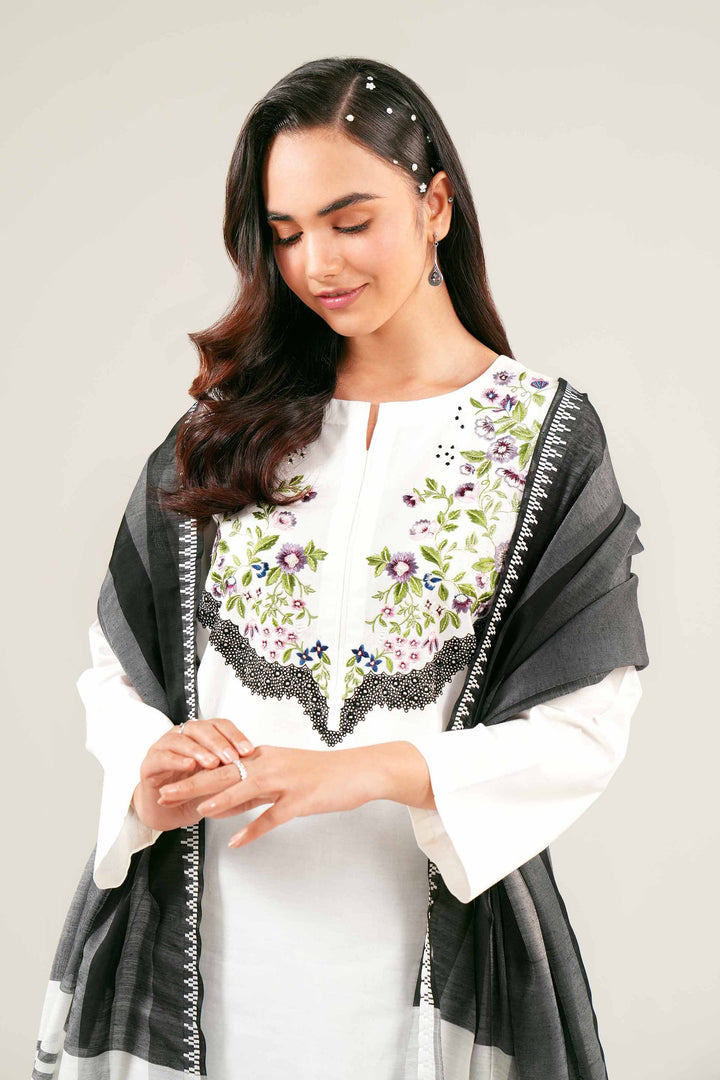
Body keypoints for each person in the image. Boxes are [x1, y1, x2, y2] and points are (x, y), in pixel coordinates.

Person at [32, 57, 649, 1080]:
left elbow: (585, 722)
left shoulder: (543, 438)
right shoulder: (224, 432)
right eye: (285, 234)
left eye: (349, 221)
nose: (316, 262)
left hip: (425, 963)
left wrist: (360, 771)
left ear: (436, 204)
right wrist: (150, 763)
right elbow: (117, 665)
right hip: (206, 948)